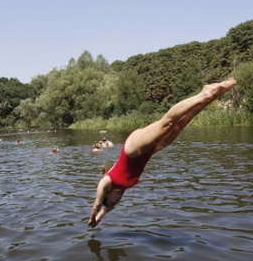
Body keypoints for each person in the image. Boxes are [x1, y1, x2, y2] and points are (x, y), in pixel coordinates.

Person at [88, 78, 237, 227]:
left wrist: (93, 218)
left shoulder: (107, 182)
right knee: (181, 123)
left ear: (107, 194)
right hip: (148, 152)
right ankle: (211, 97)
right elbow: (109, 207)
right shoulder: (122, 187)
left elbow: (97, 205)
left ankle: (204, 94)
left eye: (114, 199)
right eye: (116, 201)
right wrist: (101, 217)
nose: (118, 199)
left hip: (133, 149)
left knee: (167, 123)